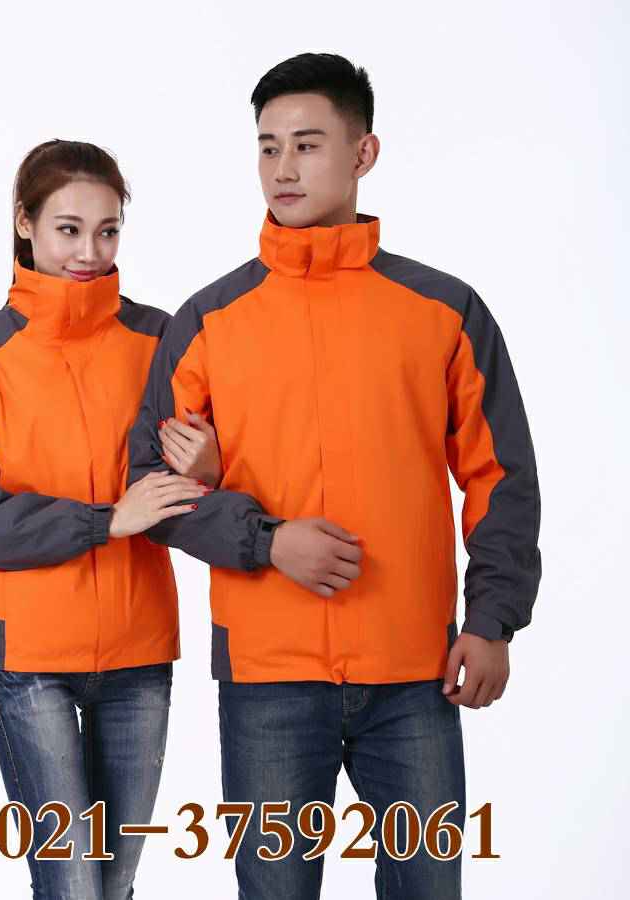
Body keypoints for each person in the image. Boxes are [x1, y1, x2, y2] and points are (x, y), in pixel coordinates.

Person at [128, 53, 541, 899]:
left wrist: (493, 619)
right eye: (267, 146)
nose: (282, 168)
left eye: (307, 144)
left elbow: (500, 474)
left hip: (416, 670)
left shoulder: (445, 311)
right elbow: (147, 488)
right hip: (268, 678)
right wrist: (267, 541)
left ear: (364, 153)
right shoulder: (208, 321)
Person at [0, 139, 222, 900]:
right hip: (27, 661)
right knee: (71, 887)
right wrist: (103, 521)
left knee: (113, 886)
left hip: (139, 653)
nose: (90, 252)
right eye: (68, 229)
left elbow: (212, 474)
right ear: (24, 223)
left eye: (108, 230)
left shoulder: (162, 341)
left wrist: (212, 465)